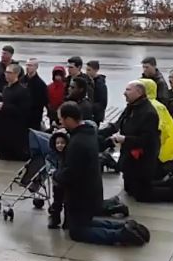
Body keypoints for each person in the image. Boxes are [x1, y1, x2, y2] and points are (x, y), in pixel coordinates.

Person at [54, 102, 149, 246]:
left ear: (68, 119)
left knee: (78, 231)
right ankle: (124, 226)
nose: (59, 122)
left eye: (61, 119)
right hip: (92, 190)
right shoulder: (88, 132)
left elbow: (72, 172)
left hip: (81, 194)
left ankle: (122, 234)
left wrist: (56, 175)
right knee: (85, 222)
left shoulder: (77, 142)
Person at [100, 82, 173, 203]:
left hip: (143, 158)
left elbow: (146, 140)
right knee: (130, 189)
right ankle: (169, 182)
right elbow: (118, 124)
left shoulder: (149, 113)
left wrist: (125, 139)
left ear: (139, 92)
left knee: (142, 195)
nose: (124, 93)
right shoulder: (132, 106)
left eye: (128, 90)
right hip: (130, 156)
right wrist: (100, 133)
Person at [0, 64, 31, 161]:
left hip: (15, 125)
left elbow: (23, 110)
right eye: (6, 72)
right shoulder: (6, 88)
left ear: (16, 74)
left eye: (9, 73)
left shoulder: (22, 90)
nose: (6, 75)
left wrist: (4, 107)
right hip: (4, 122)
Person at [21, 58, 49, 131]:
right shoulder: (21, 81)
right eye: (27, 65)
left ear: (36, 67)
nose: (27, 67)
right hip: (21, 116)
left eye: (30, 65)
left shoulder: (41, 84)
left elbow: (43, 102)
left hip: (34, 118)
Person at [86, 60, 108, 125]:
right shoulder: (88, 81)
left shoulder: (100, 84)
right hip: (88, 114)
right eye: (86, 70)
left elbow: (103, 103)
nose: (87, 72)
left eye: (89, 70)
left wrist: (90, 108)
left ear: (96, 70)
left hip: (95, 116)